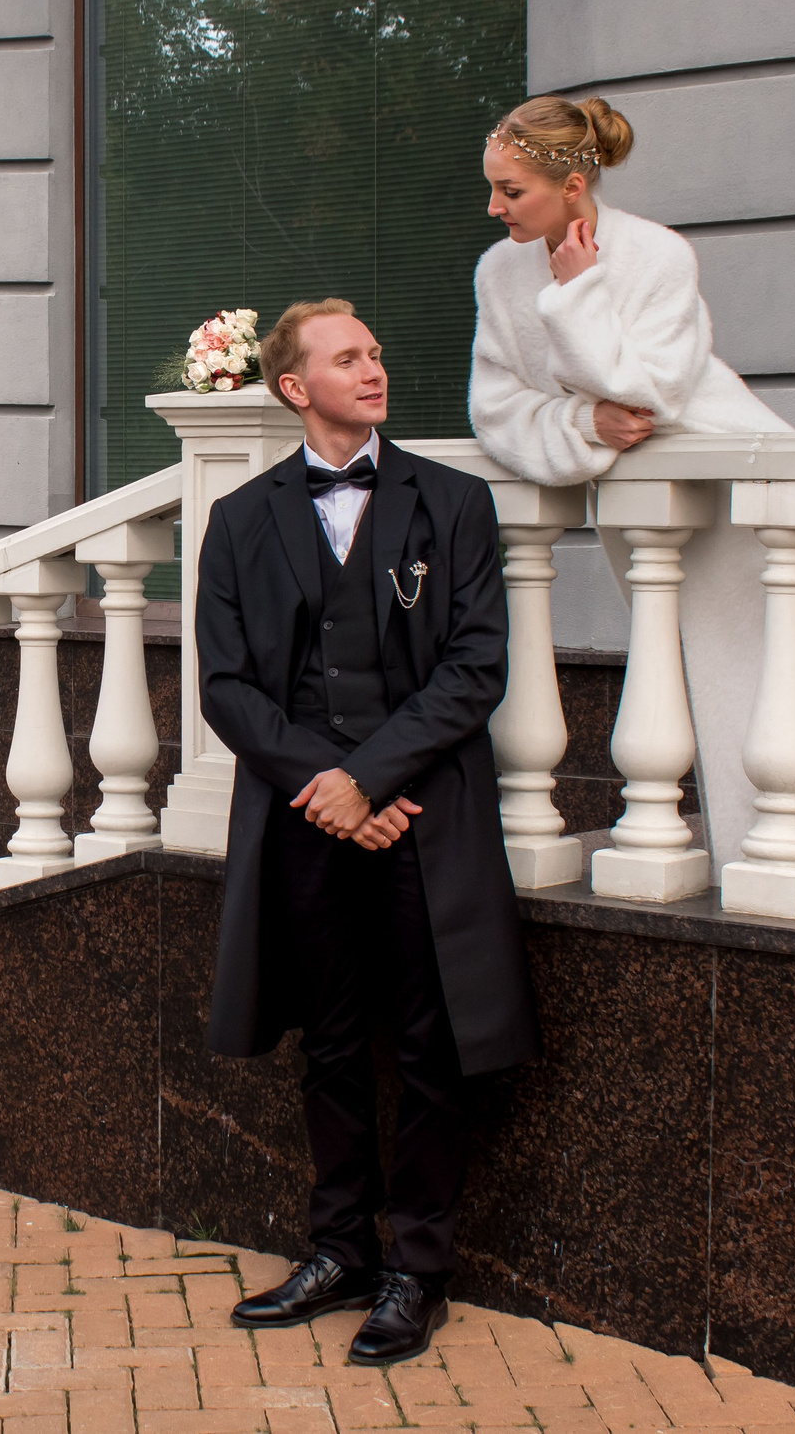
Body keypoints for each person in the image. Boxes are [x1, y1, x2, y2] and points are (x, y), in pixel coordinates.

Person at [196, 299, 538, 1367]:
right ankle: (337, 1250)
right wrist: (329, 786)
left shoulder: (453, 504)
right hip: (307, 822)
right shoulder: (241, 518)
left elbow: (473, 668)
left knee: (431, 1048)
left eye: (378, 353)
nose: (375, 369)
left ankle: (417, 1270)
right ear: (295, 386)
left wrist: (373, 778)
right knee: (332, 1043)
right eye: (349, 358)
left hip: (422, 818)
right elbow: (226, 686)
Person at [468, 93, 795, 877]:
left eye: (511, 190)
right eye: (492, 187)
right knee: (714, 669)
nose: (494, 207)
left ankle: (777, 859)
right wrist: (582, 428)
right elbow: (496, 409)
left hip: (725, 482)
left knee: (746, 669)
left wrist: (576, 294)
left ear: (573, 185)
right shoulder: (498, 273)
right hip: (636, 497)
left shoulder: (657, 254)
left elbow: (647, 392)